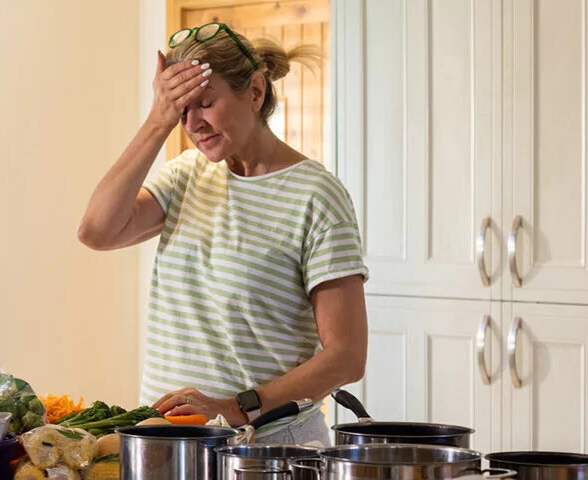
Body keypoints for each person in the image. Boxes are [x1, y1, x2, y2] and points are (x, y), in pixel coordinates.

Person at [76, 23, 369, 445]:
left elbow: (346, 357)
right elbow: (96, 231)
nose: (192, 124)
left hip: (265, 449)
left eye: (206, 103)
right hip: (165, 443)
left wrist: (233, 408)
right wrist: (157, 123)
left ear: (254, 92)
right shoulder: (185, 177)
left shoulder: (316, 196)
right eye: (181, 111)